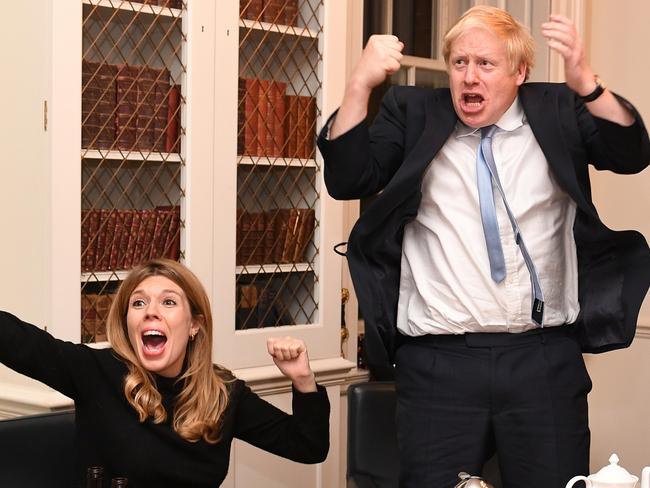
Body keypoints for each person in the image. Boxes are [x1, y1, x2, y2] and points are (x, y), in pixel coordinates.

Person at [318, 5, 649, 488]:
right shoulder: (413, 113)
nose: (468, 78)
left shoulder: (559, 109)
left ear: (520, 72)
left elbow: (631, 154)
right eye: (459, 63)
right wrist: (359, 86)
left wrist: (587, 84)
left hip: (542, 360)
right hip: (438, 363)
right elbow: (348, 179)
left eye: (486, 64)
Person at [0, 258, 329, 487]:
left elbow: (307, 446)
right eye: (138, 303)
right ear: (127, 321)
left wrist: (302, 379)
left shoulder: (223, 393)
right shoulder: (97, 371)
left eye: (168, 302)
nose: (150, 312)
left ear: (194, 325)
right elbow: (19, 342)